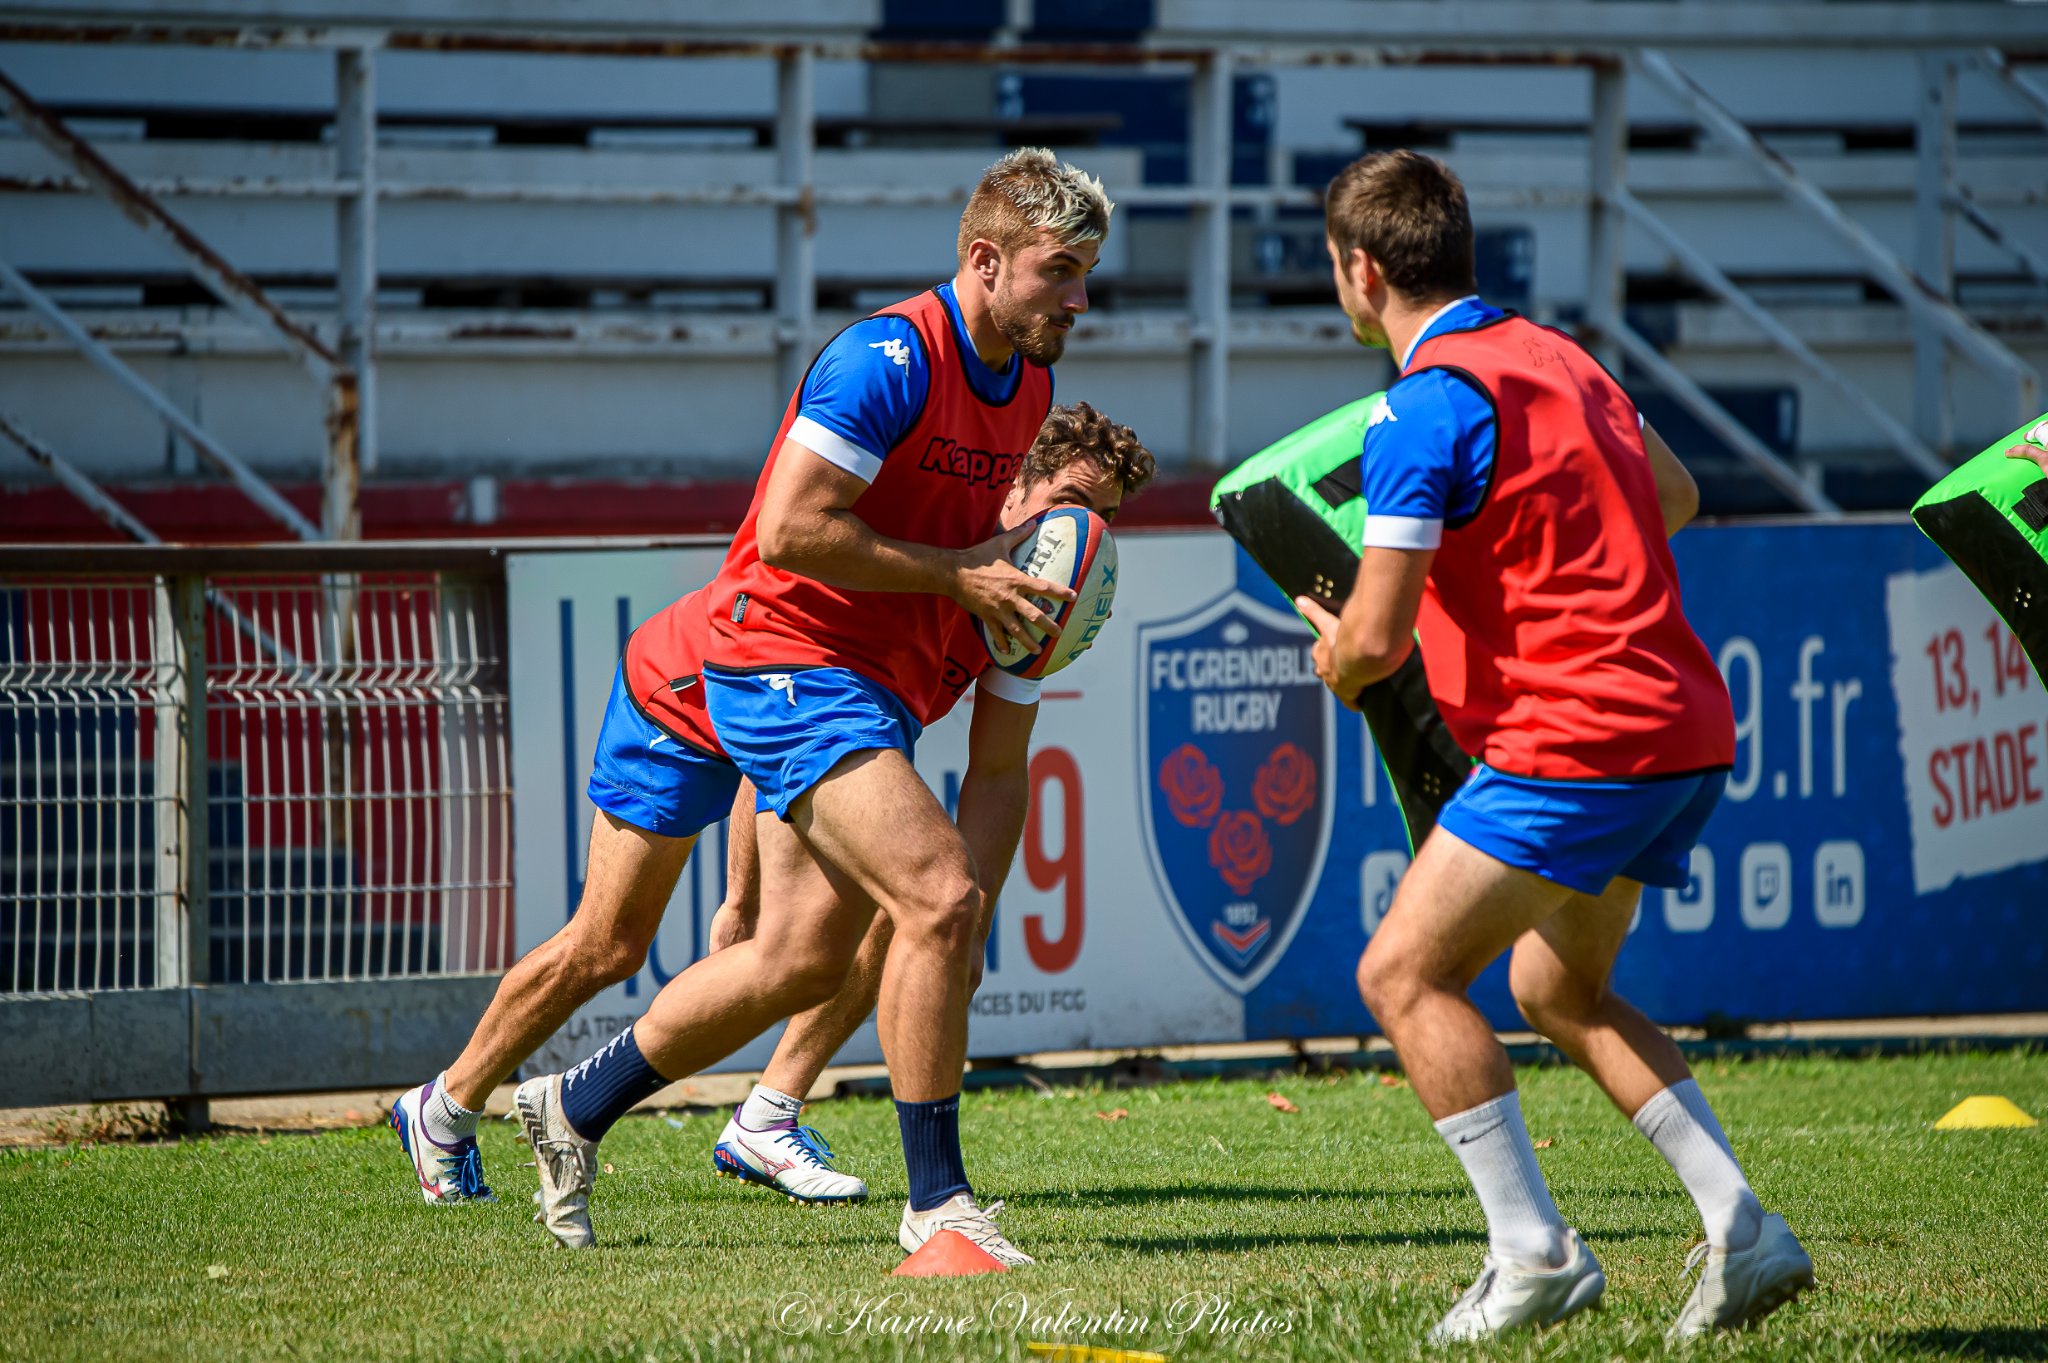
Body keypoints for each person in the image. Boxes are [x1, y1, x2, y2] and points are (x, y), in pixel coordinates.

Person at [506, 149, 1114, 1269]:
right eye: (1058, 270)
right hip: (779, 654)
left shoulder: (1024, 386)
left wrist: (971, 913)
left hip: (859, 686)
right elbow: (788, 532)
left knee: (799, 960)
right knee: (927, 893)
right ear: (984, 260)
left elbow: (997, 755)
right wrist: (956, 576)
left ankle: (571, 1106)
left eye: (1086, 273)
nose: (1078, 297)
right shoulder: (884, 357)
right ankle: (938, 1206)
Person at [1294, 150, 1813, 1344]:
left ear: (1358, 271)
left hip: (1572, 737)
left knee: (1400, 976)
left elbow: (1371, 641)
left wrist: (1336, 654)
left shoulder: (1416, 408)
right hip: (1681, 727)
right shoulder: (1563, 357)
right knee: (1553, 985)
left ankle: (1531, 1254)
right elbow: (1671, 495)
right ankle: (1741, 1226)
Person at [702, 402, 1152, 1202]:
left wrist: (978, 918)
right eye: (1075, 506)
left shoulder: (1038, 600)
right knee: (616, 941)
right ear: (1016, 487)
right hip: (731, 694)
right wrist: (739, 893)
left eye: (1108, 518)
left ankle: (766, 1114)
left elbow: (1001, 772)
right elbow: (789, 710)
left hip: (827, 737)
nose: (1091, 534)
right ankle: (512, 1104)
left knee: (921, 907)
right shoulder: (927, 557)